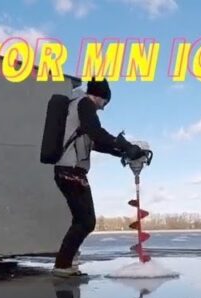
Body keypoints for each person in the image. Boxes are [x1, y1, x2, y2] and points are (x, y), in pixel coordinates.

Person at [52, 78, 148, 277]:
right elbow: (96, 133)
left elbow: (94, 142)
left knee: (82, 220)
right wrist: (123, 144)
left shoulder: (76, 109)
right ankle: (62, 266)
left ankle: (63, 264)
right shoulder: (85, 104)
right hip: (70, 171)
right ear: (100, 96)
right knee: (86, 221)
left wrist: (120, 152)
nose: (103, 108)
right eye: (105, 103)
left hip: (67, 171)